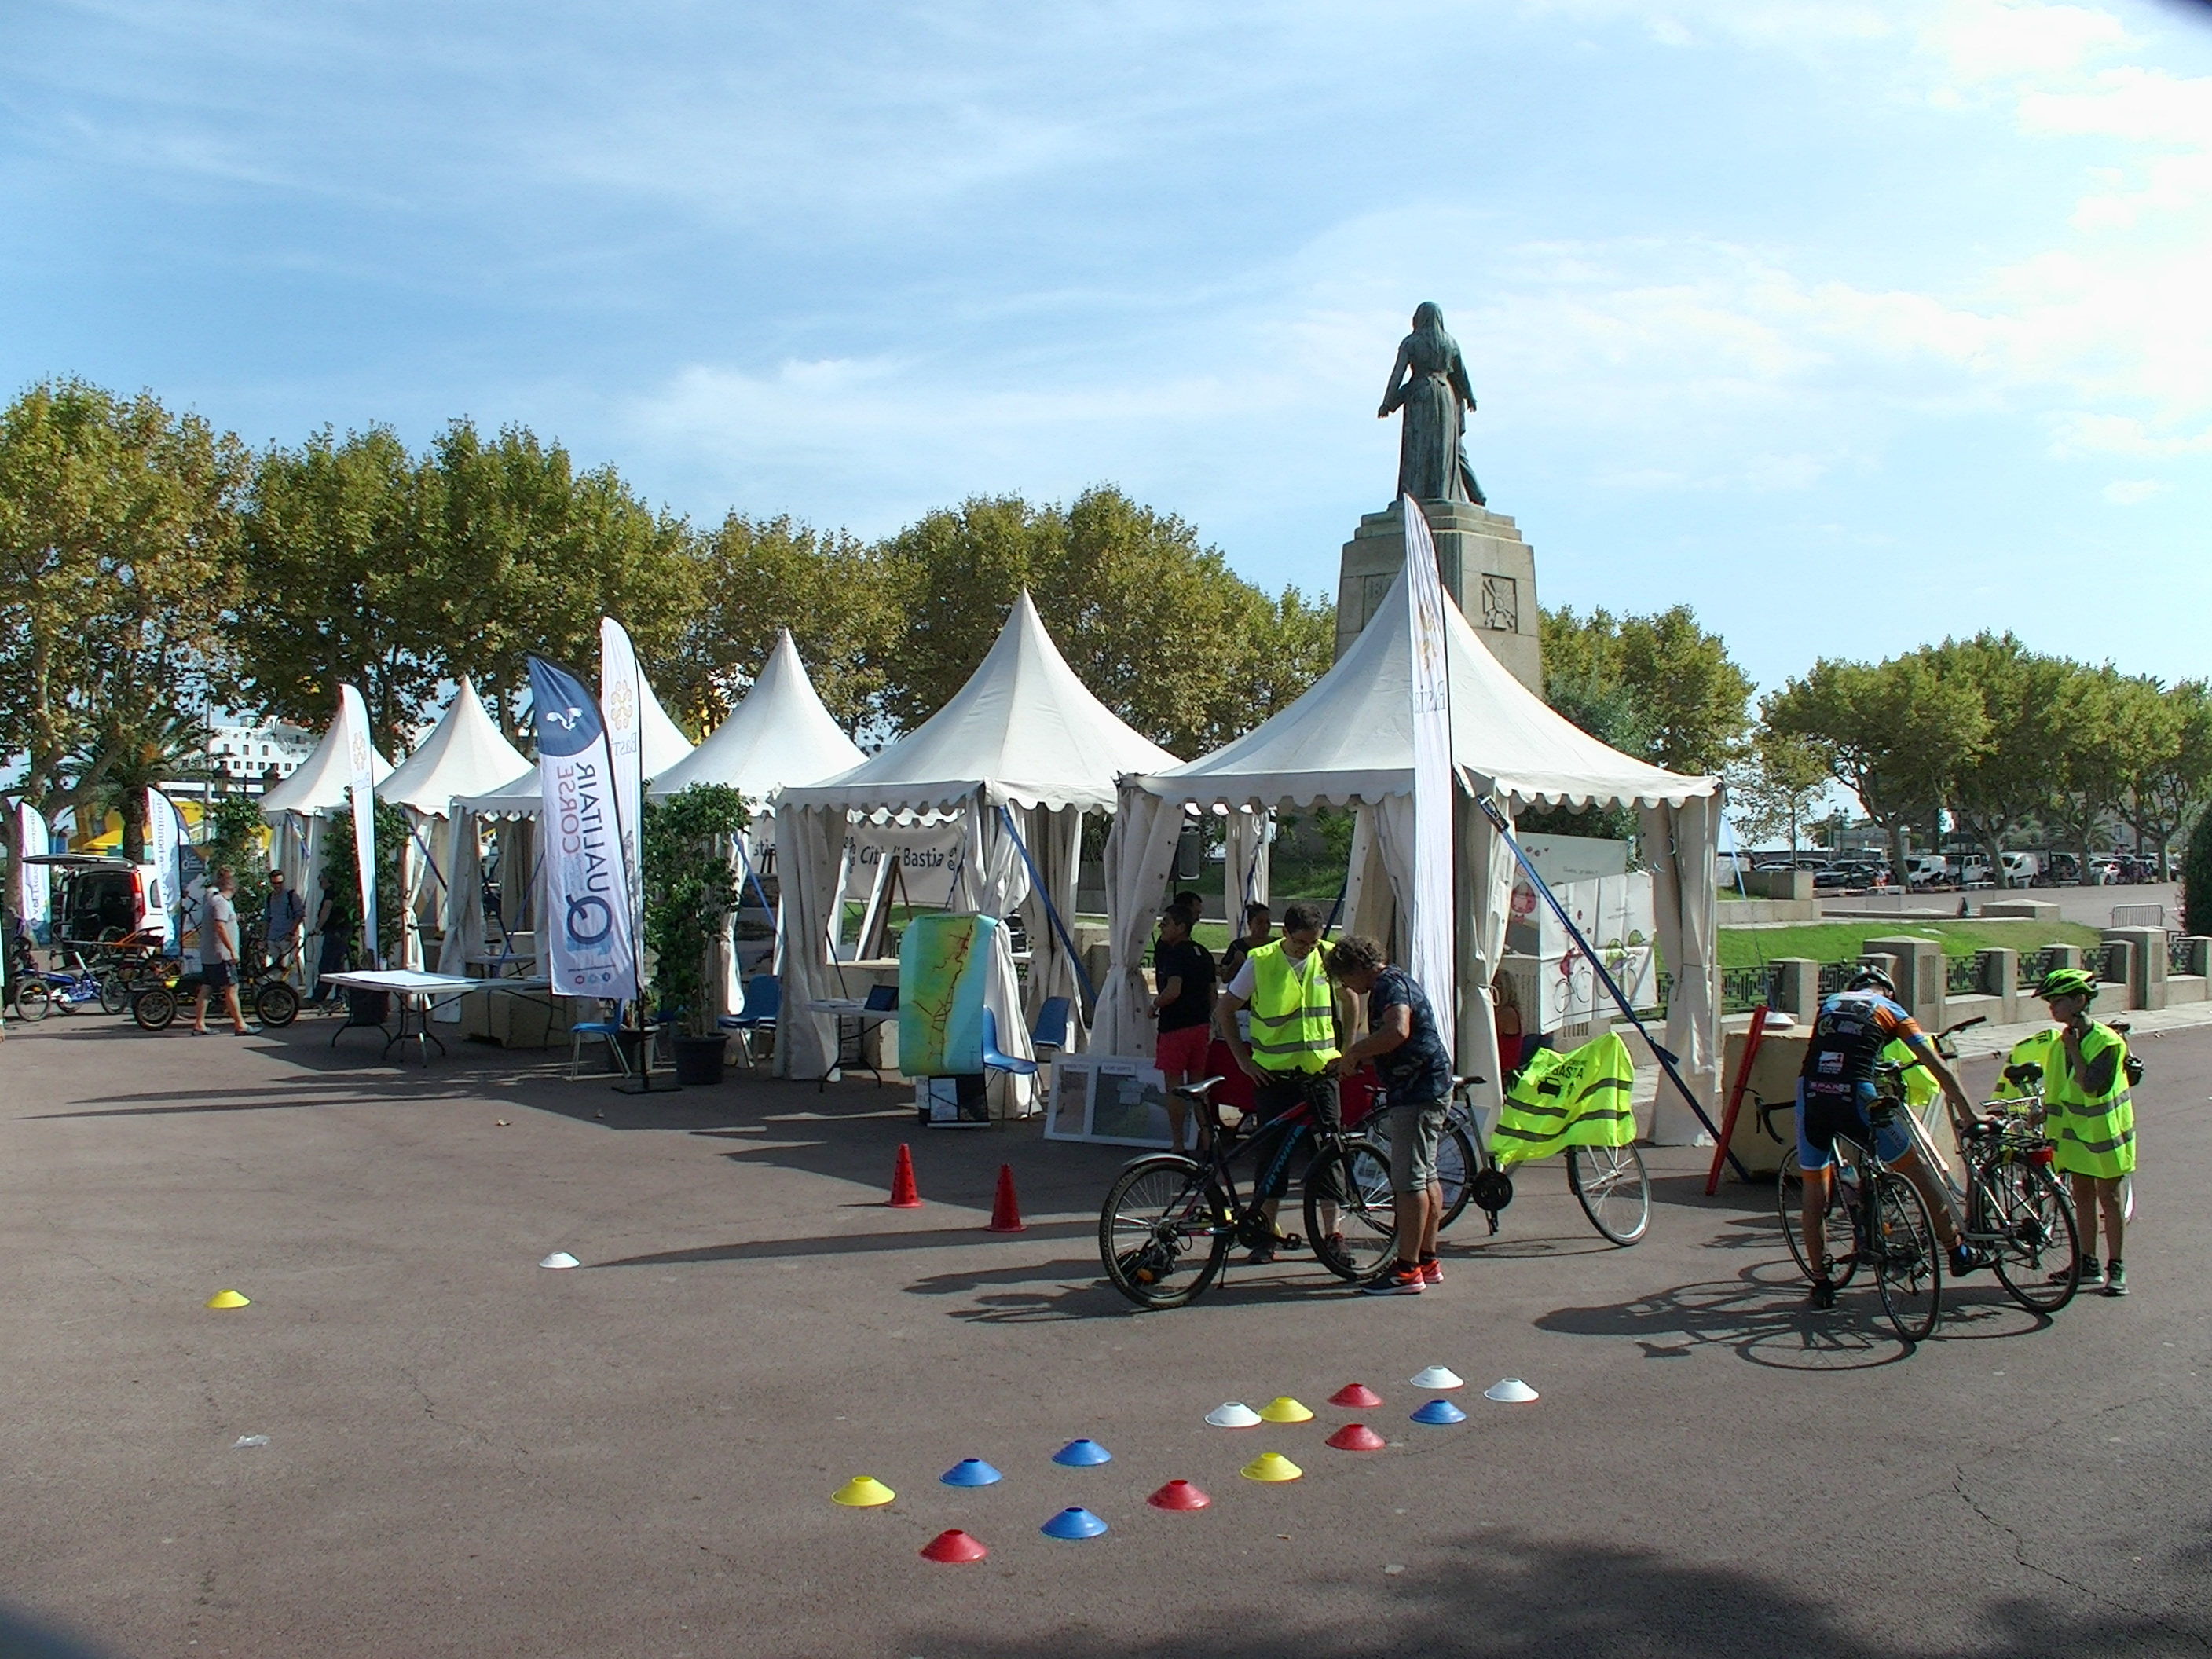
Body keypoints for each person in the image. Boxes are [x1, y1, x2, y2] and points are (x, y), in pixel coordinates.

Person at [1794, 965, 1981, 1309]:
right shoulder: (1892, 1010)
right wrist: (1969, 1115)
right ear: (1889, 993)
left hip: (1812, 1094)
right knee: (1917, 1170)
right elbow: (1935, 1066)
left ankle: (1821, 1283)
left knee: (1813, 1190)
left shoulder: (1831, 1001)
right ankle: (1956, 1251)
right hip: (1857, 1096)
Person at [1214, 901, 1341, 1263]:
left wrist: (1345, 1051)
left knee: (1330, 1153)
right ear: (1284, 934)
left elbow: (1349, 996)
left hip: (1320, 1073)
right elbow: (1225, 1010)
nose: (1307, 949)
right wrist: (1243, 1061)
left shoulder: (1328, 956)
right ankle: (1266, 1234)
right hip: (1275, 1077)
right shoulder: (1262, 959)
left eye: (1313, 943)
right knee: (1272, 1159)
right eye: (1301, 943)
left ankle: (1333, 1232)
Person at [1325, 936, 1452, 1295]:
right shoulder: (1396, 979)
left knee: (1408, 1180)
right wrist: (1358, 1058)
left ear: (1356, 968)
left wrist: (1354, 1053)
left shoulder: (1387, 986)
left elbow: (1398, 1030)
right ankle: (1427, 1259)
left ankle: (1407, 1270)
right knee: (1426, 1174)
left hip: (1417, 1091)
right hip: (1429, 1084)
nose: (1348, 987)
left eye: (1345, 979)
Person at [2020, 968, 2137, 1296]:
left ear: (2079, 1001)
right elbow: (2062, 1090)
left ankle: (2117, 1267)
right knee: (2082, 1196)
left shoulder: (2106, 1042)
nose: (2051, 1008)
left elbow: (2091, 1088)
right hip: (2074, 1138)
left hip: (2105, 1136)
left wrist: (2074, 1049)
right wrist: (2042, 1113)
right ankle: (2087, 1264)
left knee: (2109, 1199)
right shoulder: (2060, 1044)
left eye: (2056, 1001)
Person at [1377, 302, 1484, 504]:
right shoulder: (1450, 343)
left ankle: (1414, 494)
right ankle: (1440, 491)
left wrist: (1388, 402)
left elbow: (1397, 375)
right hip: (1445, 396)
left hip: (1419, 395)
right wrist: (1470, 397)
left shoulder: (1411, 342)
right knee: (1443, 447)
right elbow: (1461, 375)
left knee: (1417, 446)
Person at [1150, 908, 1217, 1152]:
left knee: (1175, 1087)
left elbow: (1173, 990)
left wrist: (1155, 1005)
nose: (1161, 928)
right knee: (1199, 1085)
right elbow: (1212, 993)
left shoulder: (1174, 955)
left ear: (1180, 927)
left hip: (1175, 1028)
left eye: (1166, 923)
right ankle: (1209, 1141)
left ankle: (1178, 1144)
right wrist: (1207, 1018)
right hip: (1200, 1026)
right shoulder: (1204, 953)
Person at [191, 867, 255, 1036]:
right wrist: (232, 950)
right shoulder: (219, 901)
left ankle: (199, 1024)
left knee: (207, 986)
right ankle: (240, 1025)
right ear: (232, 887)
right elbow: (219, 926)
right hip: (221, 955)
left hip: (211, 953)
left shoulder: (214, 900)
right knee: (232, 987)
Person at [309, 886, 352, 1007]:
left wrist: (318, 927)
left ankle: (318, 998)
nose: (319, 881)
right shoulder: (344, 890)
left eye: (321, 877)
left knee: (327, 967)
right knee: (338, 966)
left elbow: (326, 909)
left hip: (334, 933)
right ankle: (339, 998)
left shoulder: (330, 892)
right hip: (342, 933)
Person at [262, 869, 306, 983]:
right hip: (273, 936)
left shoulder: (291, 895)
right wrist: (264, 937)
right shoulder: (269, 897)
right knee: (276, 967)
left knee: (289, 966)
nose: (277, 886)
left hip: (287, 936)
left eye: (280, 883)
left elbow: (299, 915)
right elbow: (266, 918)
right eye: (275, 883)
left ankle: (292, 990)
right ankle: (279, 989)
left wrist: (292, 932)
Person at [1218, 903, 1273, 983]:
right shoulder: (1238, 946)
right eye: (1259, 922)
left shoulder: (1279, 944)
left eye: (1268, 922)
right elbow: (1225, 979)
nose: (1265, 926)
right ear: (1249, 924)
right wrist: (1236, 963)